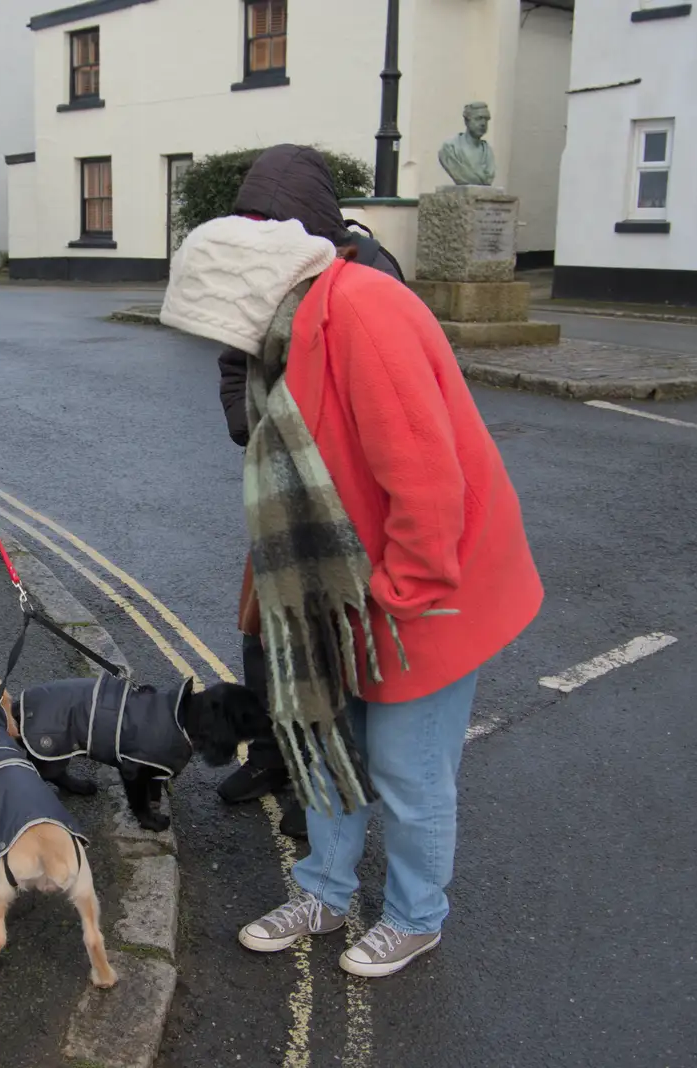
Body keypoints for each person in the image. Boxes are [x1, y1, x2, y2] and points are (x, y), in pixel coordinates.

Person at [160, 213, 541, 978]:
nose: (224, 346)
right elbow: (296, 500)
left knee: (405, 766)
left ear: (250, 295)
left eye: (220, 323)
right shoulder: (292, 332)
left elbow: (428, 478)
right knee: (325, 743)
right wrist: (277, 604)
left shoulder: (364, 312)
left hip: (424, 583)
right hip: (345, 588)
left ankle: (414, 917)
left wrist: (403, 596)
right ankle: (324, 895)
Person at [211, 145, 406, 842]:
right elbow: (235, 359)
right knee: (263, 631)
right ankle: (273, 756)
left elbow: (393, 397)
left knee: (331, 641)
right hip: (279, 483)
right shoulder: (261, 273)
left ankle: (321, 778)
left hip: (345, 497)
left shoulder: (369, 279)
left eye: (273, 224)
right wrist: (246, 422)